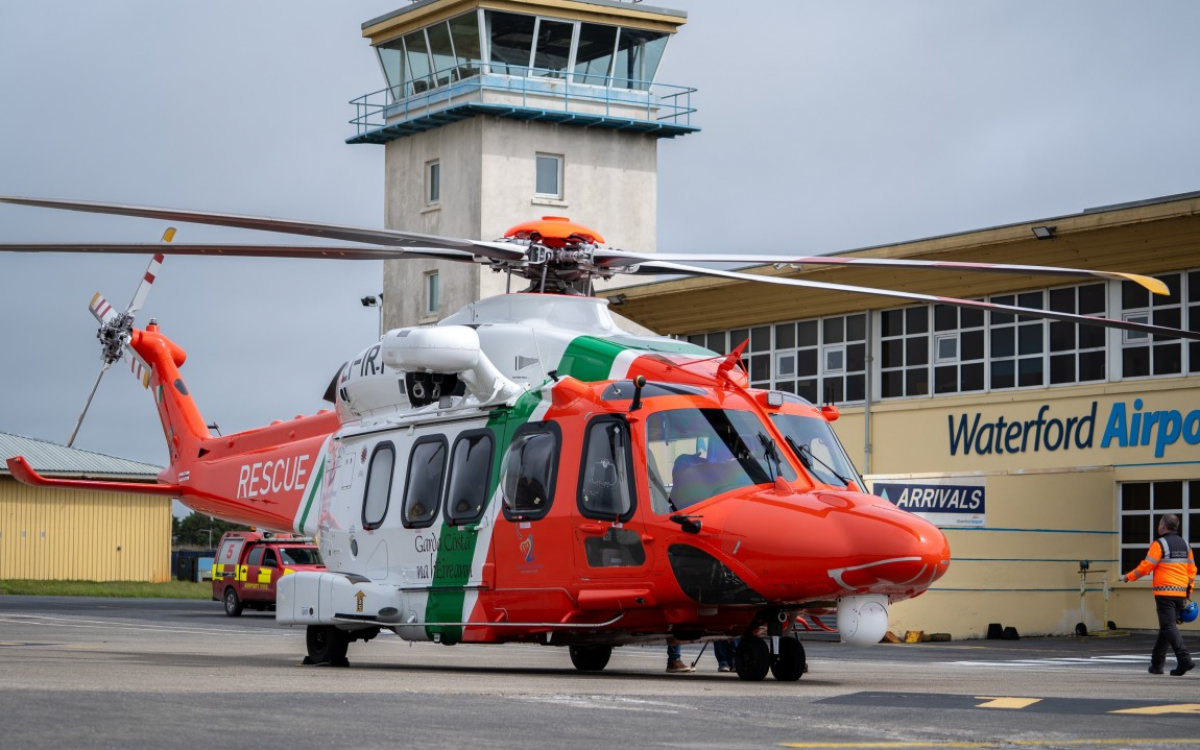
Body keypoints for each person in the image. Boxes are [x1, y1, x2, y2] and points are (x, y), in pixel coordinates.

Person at [1122, 513, 1197, 676]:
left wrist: (1129, 576)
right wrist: (1188, 591)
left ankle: (1184, 659)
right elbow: (1192, 570)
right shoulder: (1185, 544)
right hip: (1180, 593)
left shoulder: (1160, 543)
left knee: (1168, 626)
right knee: (1166, 627)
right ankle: (1157, 664)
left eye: (1159, 524)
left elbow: (1146, 566)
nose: (1158, 526)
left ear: (1163, 526)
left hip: (1165, 592)